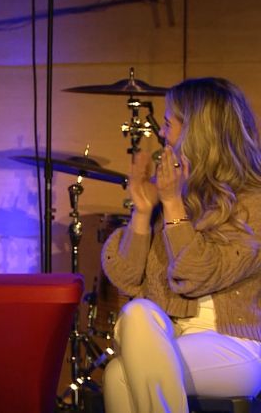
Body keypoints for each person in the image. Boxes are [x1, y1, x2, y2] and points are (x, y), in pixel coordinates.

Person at [101, 77, 261, 412]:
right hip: (173, 336)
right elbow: (125, 277)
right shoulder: (170, 194)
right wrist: (142, 212)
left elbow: (196, 274)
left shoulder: (252, 202)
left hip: (236, 344)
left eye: (168, 123)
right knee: (136, 317)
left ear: (196, 132)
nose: (161, 133)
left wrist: (173, 206)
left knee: (120, 374)